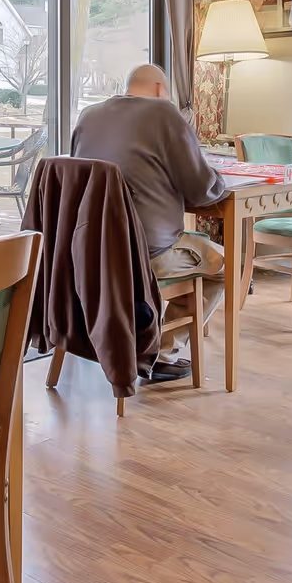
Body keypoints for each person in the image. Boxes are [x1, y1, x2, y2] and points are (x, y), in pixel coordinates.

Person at [70, 63, 229, 378]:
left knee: (194, 252)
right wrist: (219, 178)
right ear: (160, 90)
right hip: (146, 255)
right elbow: (201, 189)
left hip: (90, 252)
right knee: (225, 263)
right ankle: (160, 353)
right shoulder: (163, 114)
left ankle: (141, 340)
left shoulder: (89, 116)